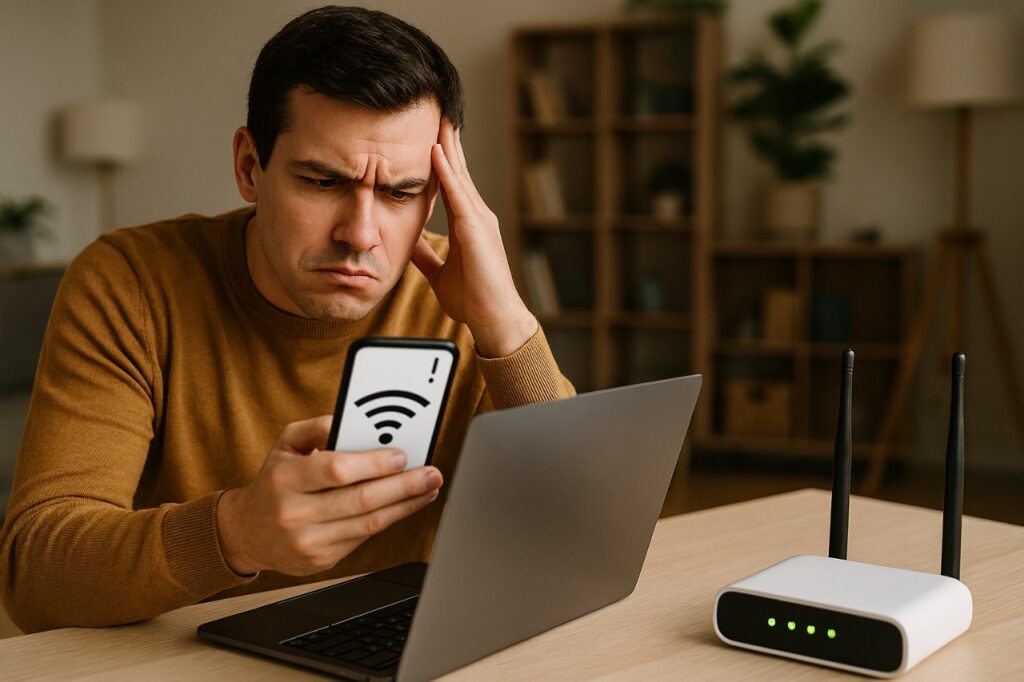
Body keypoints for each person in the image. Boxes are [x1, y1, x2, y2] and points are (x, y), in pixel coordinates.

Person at [0, 5, 573, 634]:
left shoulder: (462, 287)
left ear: (437, 197)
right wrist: (235, 534)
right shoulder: (129, 281)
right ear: (250, 166)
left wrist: (507, 328)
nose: (361, 235)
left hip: (398, 653)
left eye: (401, 193)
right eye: (323, 181)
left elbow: (577, 519)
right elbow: (36, 576)